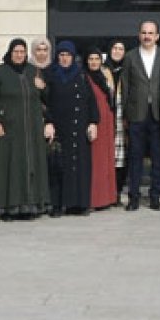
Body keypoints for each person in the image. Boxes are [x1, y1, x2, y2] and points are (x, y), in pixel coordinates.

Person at [0, 39, 51, 221]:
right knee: (10, 168)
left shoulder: (33, 71)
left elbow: (47, 99)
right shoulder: (0, 72)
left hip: (31, 131)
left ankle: (30, 206)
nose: (19, 55)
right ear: (10, 52)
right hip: (9, 130)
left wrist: (43, 87)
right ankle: (8, 208)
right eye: (16, 51)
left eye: (22, 52)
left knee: (30, 166)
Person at [44, 41, 98, 217]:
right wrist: (48, 122)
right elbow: (45, 103)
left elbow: (91, 101)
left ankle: (79, 204)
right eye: (61, 55)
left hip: (79, 128)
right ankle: (57, 204)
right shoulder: (51, 76)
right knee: (59, 168)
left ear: (73, 57)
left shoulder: (81, 75)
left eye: (67, 55)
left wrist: (93, 122)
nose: (64, 58)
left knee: (79, 167)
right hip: (60, 129)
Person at [122, 21, 160, 211]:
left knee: (159, 158)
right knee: (135, 158)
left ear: (157, 36)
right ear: (139, 35)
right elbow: (125, 87)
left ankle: (155, 197)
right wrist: (126, 114)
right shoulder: (130, 57)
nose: (147, 36)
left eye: (151, 33)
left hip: (159, 115)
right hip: (136, 114)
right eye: (144, 33)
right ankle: (134, 197)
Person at [85, 48, 117, 210]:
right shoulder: (84, 77)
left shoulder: (105, 77)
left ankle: (107, 198)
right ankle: (94, 199)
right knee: (95, 161)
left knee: (106, 160)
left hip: (107, 122)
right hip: (94, 122)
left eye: (96, 59)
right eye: (90, 59)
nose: (93, 62)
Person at [105, 40, 128, 204]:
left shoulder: (128, 69)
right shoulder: (102, 69)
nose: (117, 51)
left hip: (122, 118)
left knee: (121, 159)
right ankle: (106, 192)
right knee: (106, 157)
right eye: (115, 48)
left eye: (121, 49)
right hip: (106, 118)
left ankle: (117, 192)